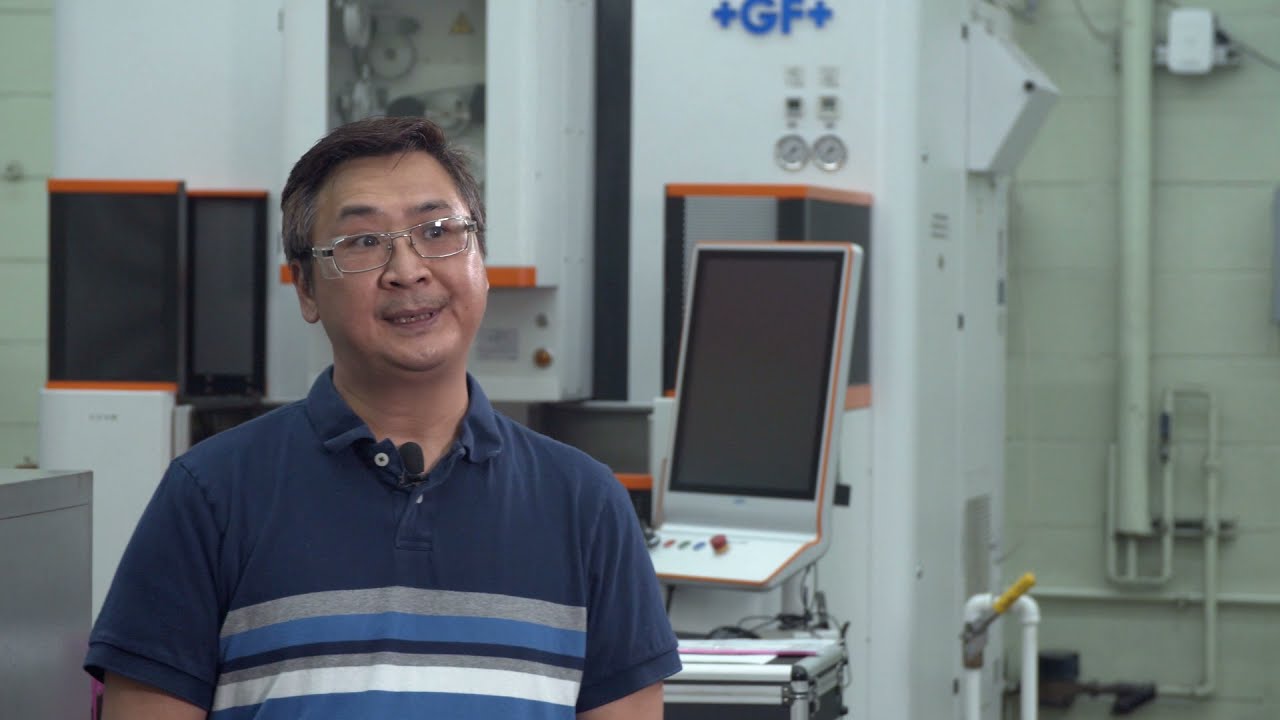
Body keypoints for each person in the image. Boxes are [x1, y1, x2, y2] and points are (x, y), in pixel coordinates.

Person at [85, 116, 681, 719]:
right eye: (363, 242)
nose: (408, 269)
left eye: (438, 230)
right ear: (306, 289)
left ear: (480, 258)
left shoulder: (585, 504)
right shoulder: (209, 494)